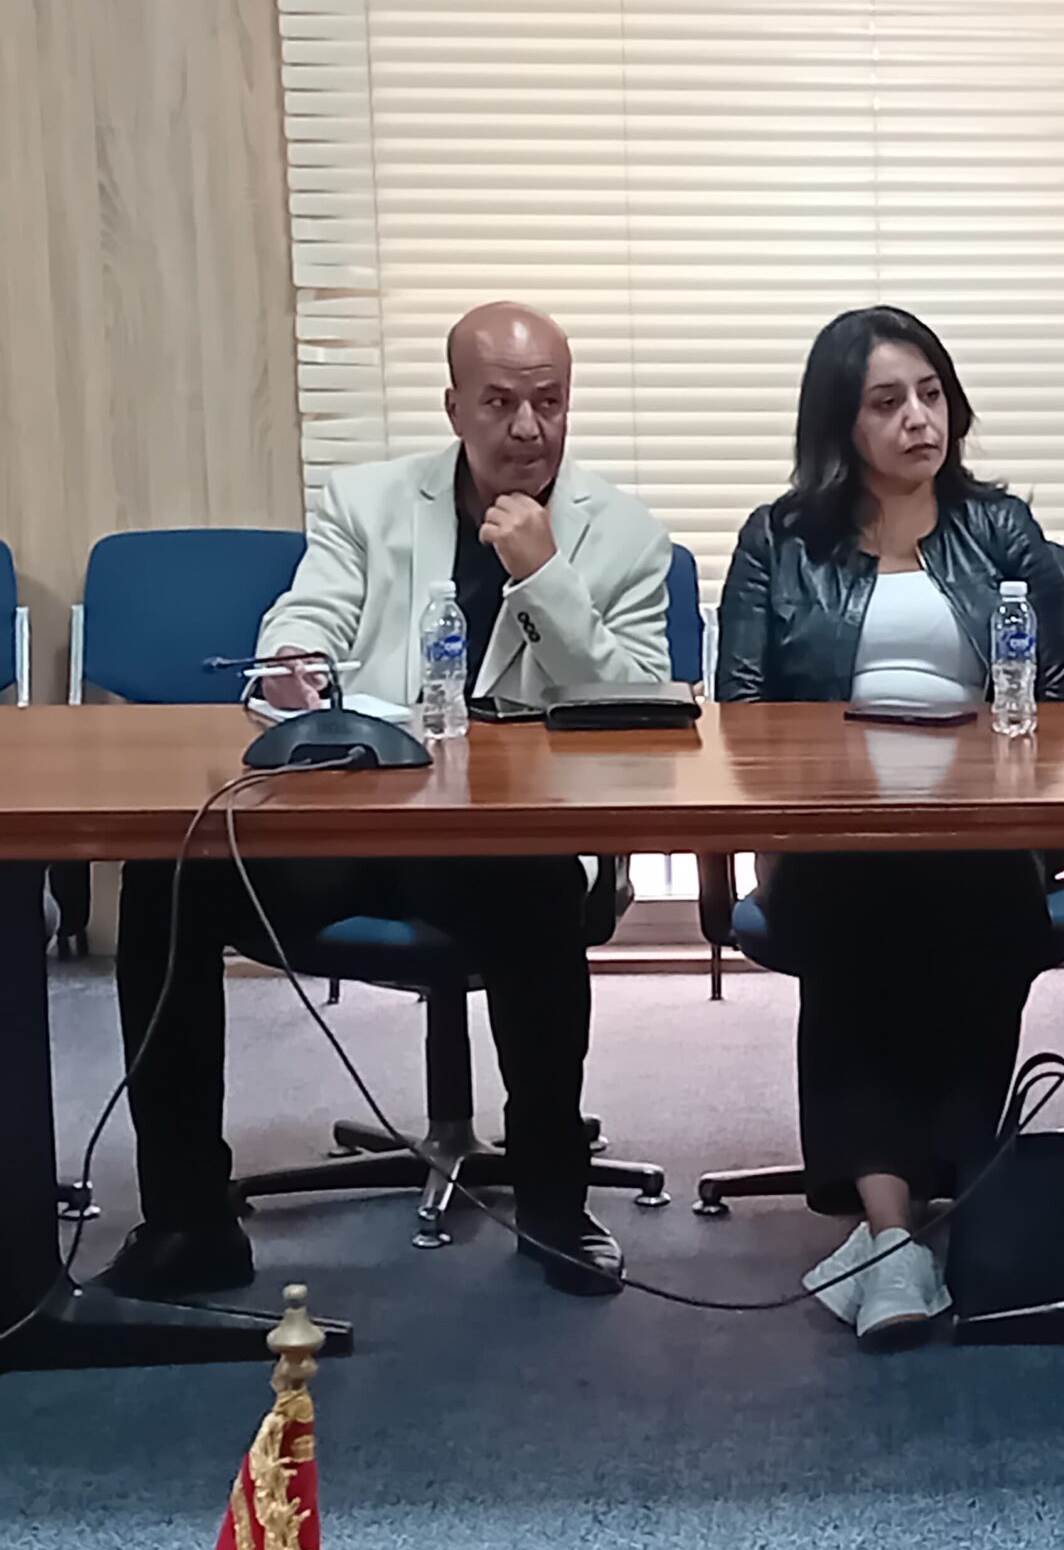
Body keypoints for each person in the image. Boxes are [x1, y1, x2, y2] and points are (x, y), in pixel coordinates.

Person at [107, 302, 672, 1301]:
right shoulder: (368, 499)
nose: (528, 428)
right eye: (500, 403)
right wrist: (292, 660)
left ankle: (553, 1203)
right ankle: (188, 1219)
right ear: (454, 406)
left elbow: (637, 703)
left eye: (549, 402)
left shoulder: (624, 534)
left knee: (540, 892)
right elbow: (310, 611)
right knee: (168, 880)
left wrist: (546, 576)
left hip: (501, 845)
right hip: (352, 816)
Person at [716, 305, 1064, 1346]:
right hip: (829, 834)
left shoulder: (1003, 532)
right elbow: (739, 713)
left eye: (931, 395)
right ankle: (889, 1234)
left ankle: (935, 1208)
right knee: (857, 910)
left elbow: (1059, 709)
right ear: (840, 423)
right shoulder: (779, 540)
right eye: (887, 402)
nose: (919, 419)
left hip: (981, 832)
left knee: (978, 905)